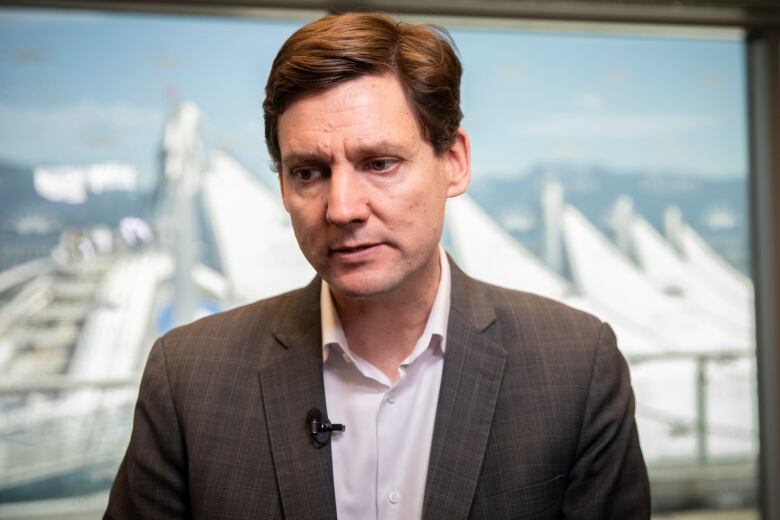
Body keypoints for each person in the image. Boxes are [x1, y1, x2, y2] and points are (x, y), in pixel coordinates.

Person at [105, 12, 650, 519]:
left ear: (454, 162)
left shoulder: (576, 367)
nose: (342, 209)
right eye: (309, 173)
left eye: (380, 163)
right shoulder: (189, 378)